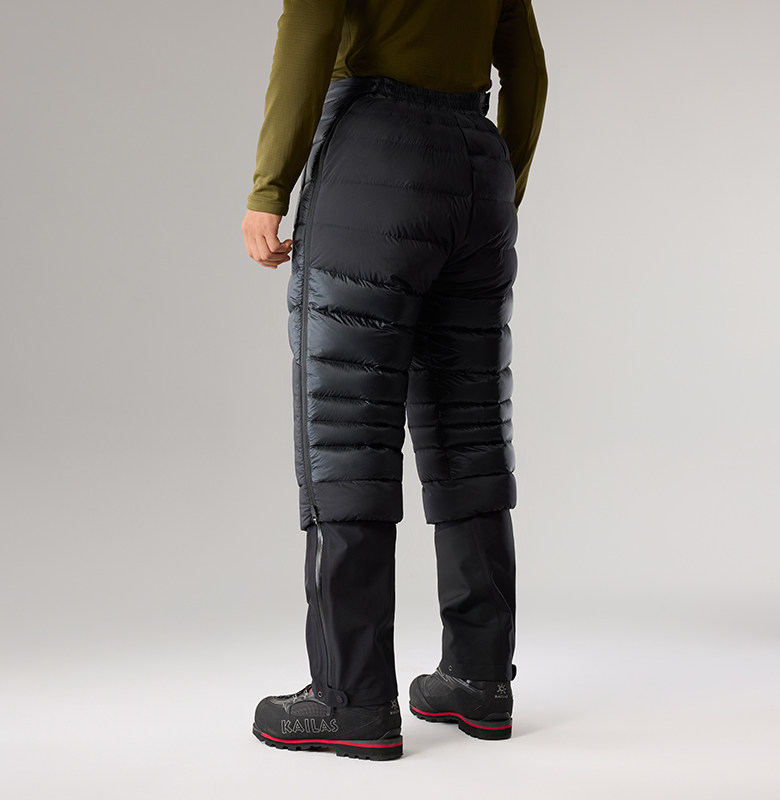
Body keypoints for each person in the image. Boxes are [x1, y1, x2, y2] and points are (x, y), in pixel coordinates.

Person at [241, 0, 547, 761]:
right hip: (476, 167)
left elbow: (309, 33)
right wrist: (499, 181)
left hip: (372, 157)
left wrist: (269, 187)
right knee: (469, 428)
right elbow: (529, 71)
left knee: (347, 427)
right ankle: (479, 678)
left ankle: (350, 698)